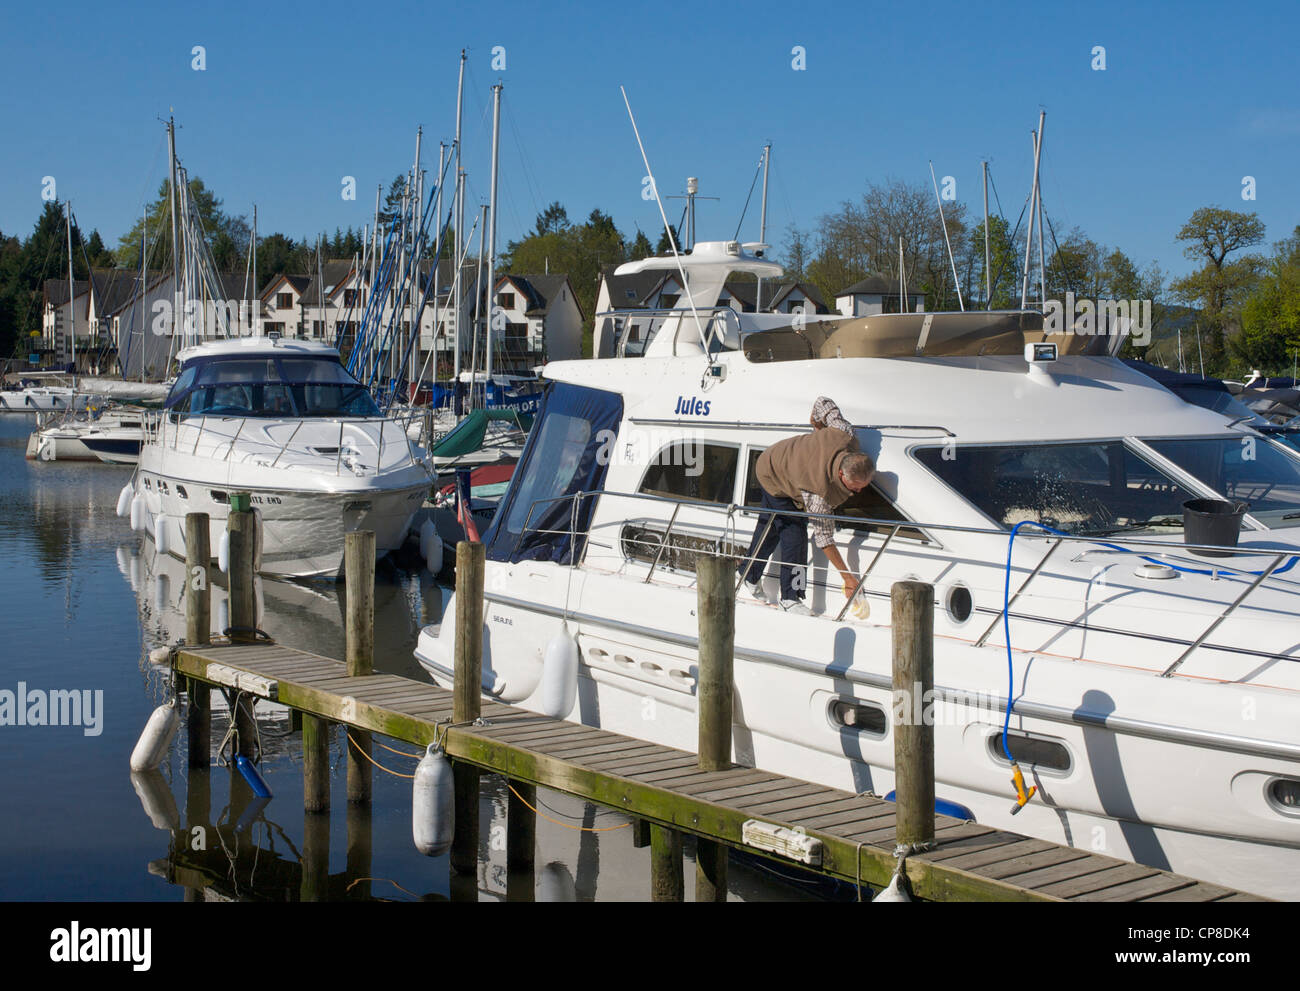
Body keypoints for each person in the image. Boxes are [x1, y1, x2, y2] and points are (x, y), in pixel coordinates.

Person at [740, 396, 874, 614]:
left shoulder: (845, 432)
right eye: (856, 487)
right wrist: (848, 578)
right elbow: (824, 539)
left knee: (772, 525)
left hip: (779, 459)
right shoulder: (818, 492)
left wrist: (818, 425)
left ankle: (748, 574)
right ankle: (790, 599)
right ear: (841, 473)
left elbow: (823, 402)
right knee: (795, 533)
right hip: (773, 475)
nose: (859, 492)